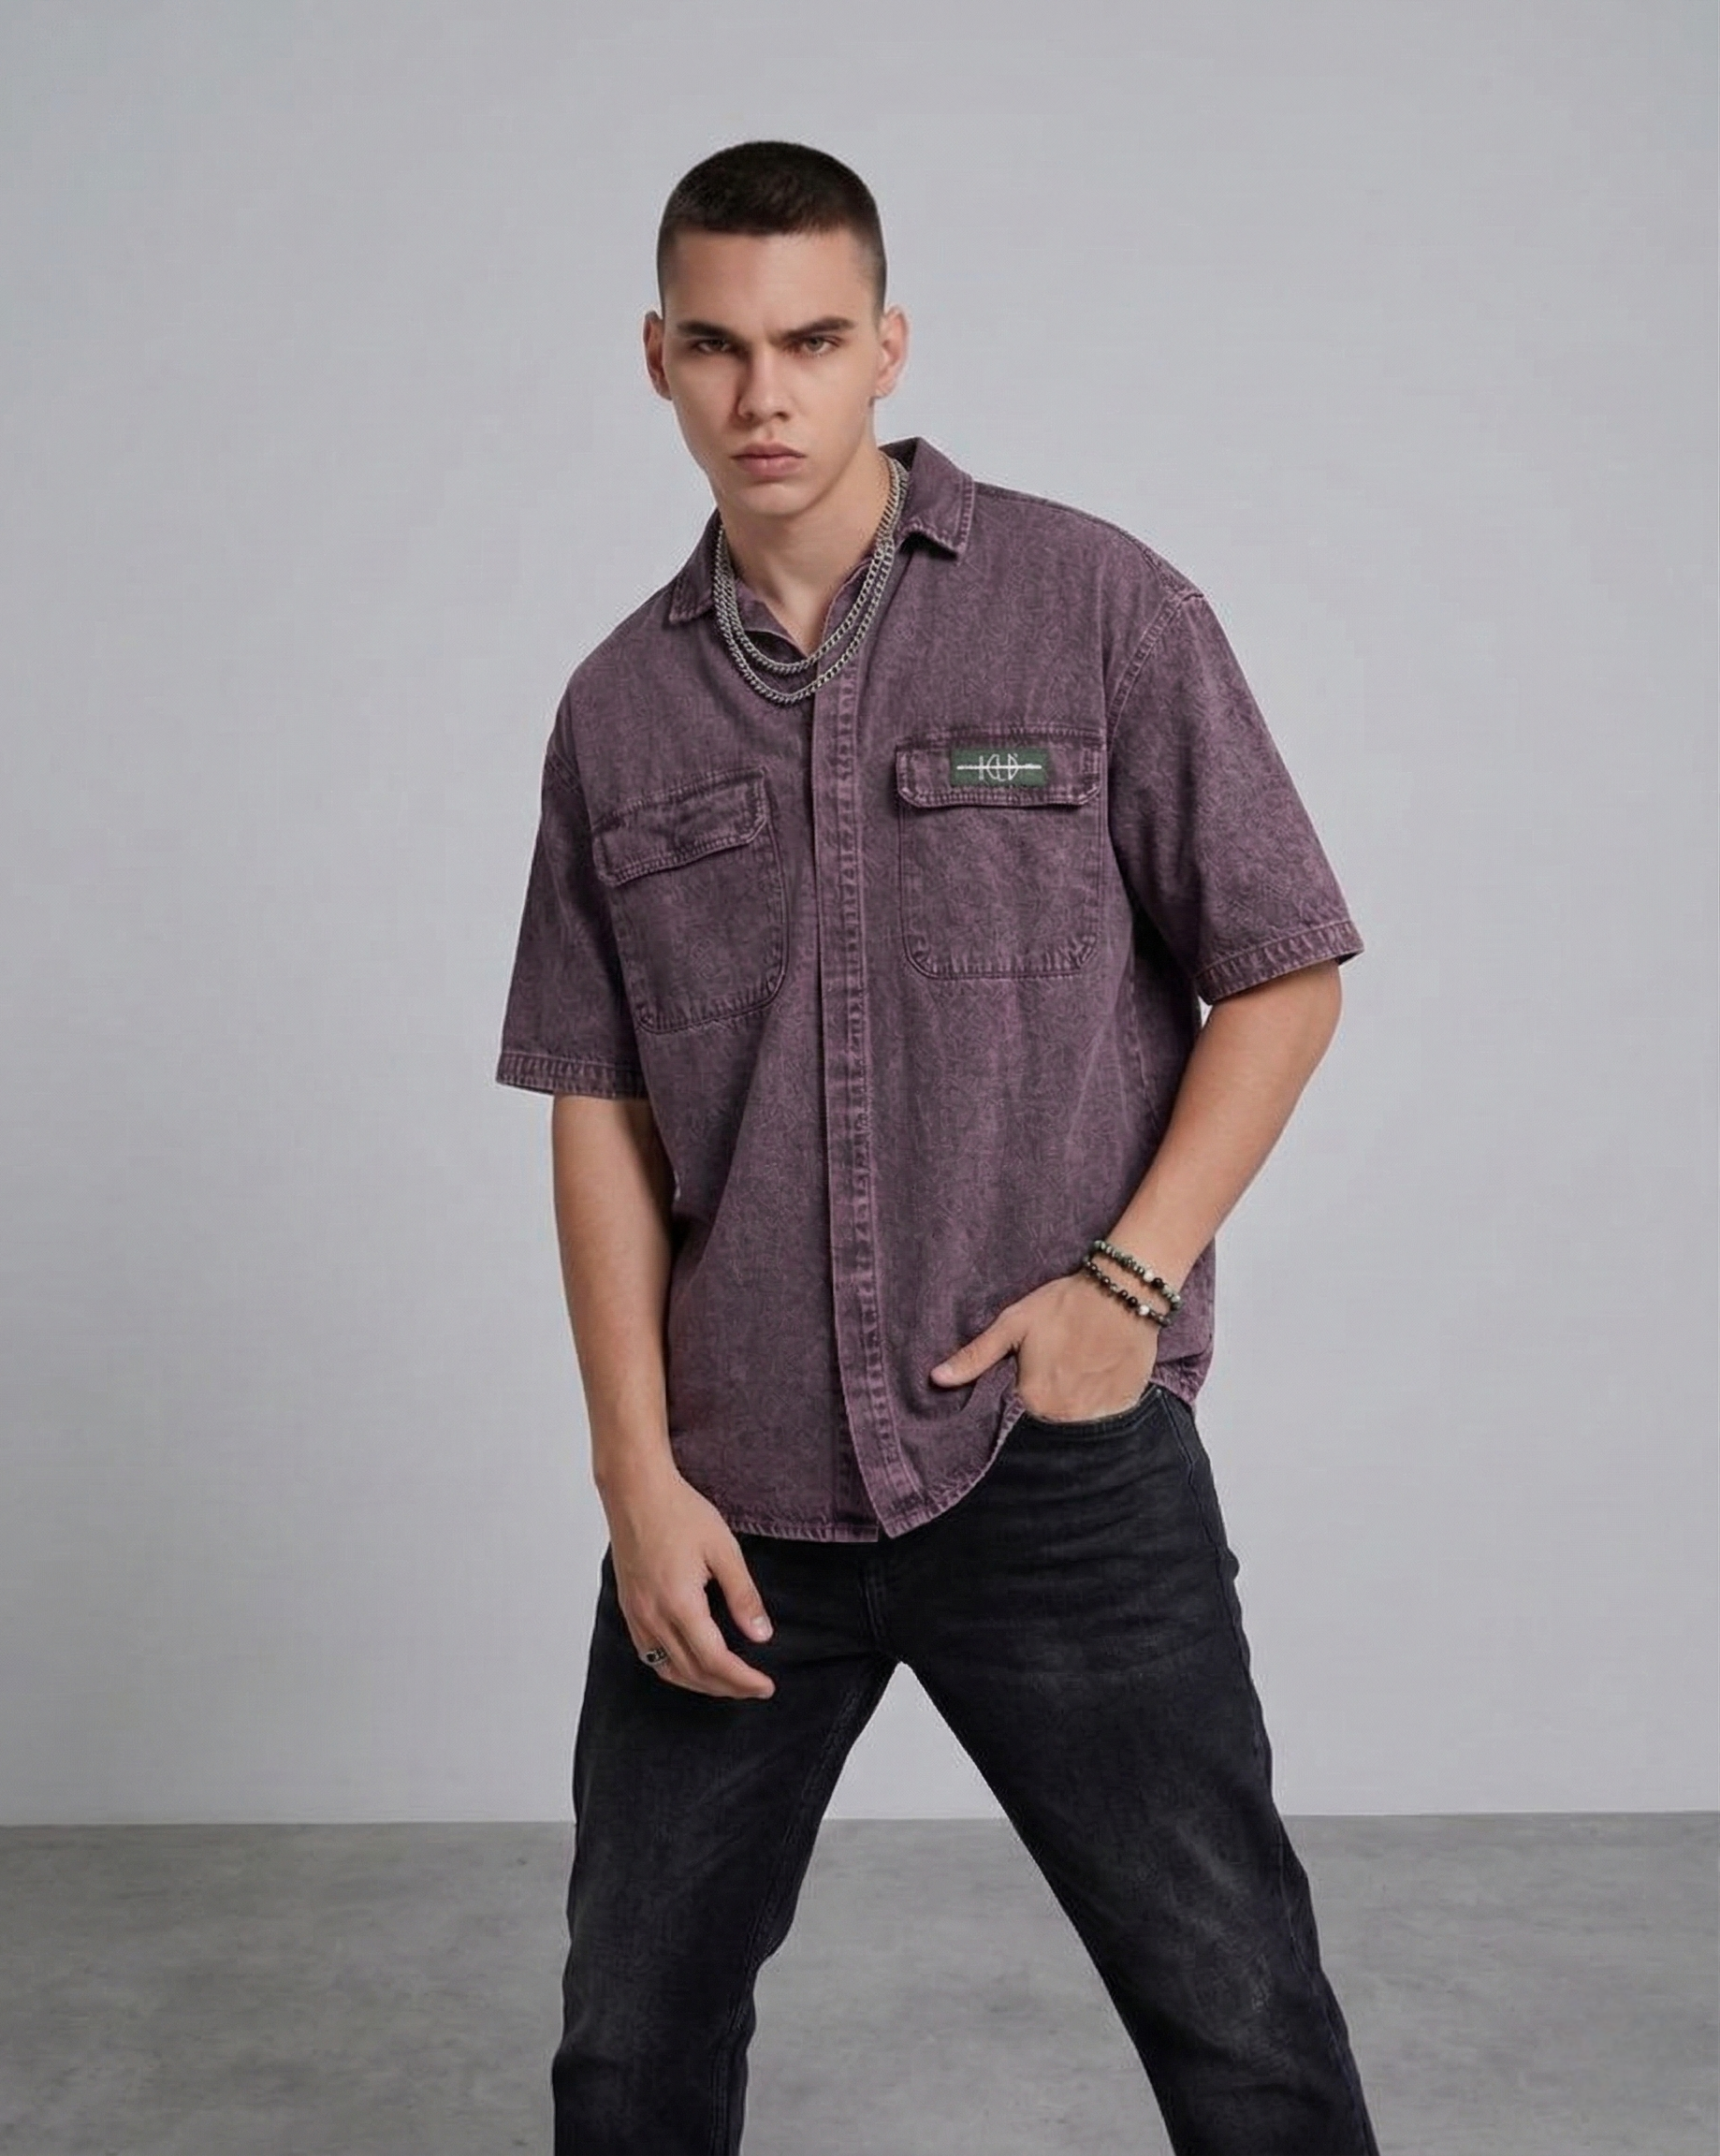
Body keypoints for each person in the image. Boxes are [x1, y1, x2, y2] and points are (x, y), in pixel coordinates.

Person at [494, 137, 1383, 2156]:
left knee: (1242, 2030)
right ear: (655, 357)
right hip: (738, 1500)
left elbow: (1285, 971)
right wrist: (634, 1476)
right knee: (626, 2058)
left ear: (888, 346)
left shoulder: (1097, 608)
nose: (765, 395)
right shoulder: (615, 713)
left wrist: (1123, 1286)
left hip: (1052, 1469)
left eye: (812, 342)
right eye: (717, 347)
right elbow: (597, 1110)